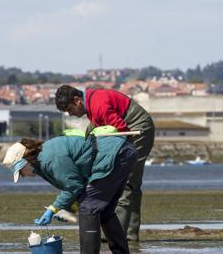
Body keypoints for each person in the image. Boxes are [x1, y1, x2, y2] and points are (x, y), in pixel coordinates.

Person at [2, 127, 137, 254]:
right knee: (105, 210)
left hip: (115, 155)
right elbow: (76, 185)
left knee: (89, 207)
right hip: (121, 153)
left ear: (25, 161)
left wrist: (52, 209)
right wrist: (67, 208)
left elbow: (73, 186)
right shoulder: (41, 161)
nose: (23, 176)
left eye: (20, 172)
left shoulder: (51, 159)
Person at [55, 85, 155, 242]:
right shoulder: (92, 106)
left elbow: (122, 133)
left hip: (137, 129)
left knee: (127, 181)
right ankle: (130, 232)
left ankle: (119, 234)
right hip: (126, 128)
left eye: (70, 109)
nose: (71, 114)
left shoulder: (99, 105)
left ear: (77, 100)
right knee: (131, 184)